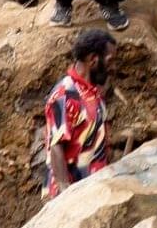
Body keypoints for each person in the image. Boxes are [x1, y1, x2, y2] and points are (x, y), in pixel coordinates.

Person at [41, 27, 115, 198]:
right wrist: (65, 193)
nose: (113, 67)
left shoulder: (92, 92)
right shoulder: (65, 95)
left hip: (93, 189)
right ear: (93, 60)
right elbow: (56, 146)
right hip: (72, 196)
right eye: (110, 61)